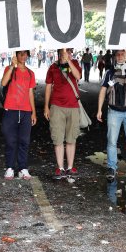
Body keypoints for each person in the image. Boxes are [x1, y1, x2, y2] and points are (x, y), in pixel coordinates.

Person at [96, 49, 126, 180]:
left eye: (123, 54)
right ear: (115, 57)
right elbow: (103, 90)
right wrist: (99, 109)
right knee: (112, 141)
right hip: (113, 111)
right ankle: (111, 168)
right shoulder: (109, 72)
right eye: (118, 55)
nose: (120, 57)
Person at [44, 48, 82, 179]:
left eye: (69, 52)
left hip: (73, 106)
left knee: (72, 137)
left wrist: (69, 61)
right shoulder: (53, 67)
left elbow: (78, 76)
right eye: (63, 52)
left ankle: (70, 167)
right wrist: (46, 107)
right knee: (57, 137)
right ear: (58, 53)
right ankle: (60, 168)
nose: (66, 54)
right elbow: (48, 86)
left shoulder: (75, 63)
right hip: (56, 106)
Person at [1, 50, 37, 180]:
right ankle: (10, 167)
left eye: (25, 54)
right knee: (10, 140)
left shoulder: (30, 73)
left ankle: (23, 168)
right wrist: (12, 66)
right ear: (16, 55)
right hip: (11, 109)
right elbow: (3, 83)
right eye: (20, 54)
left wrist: (33, 112)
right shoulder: (9, 69)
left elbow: (30, 93)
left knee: (24, 141)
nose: (23, 56)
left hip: (26, 111)